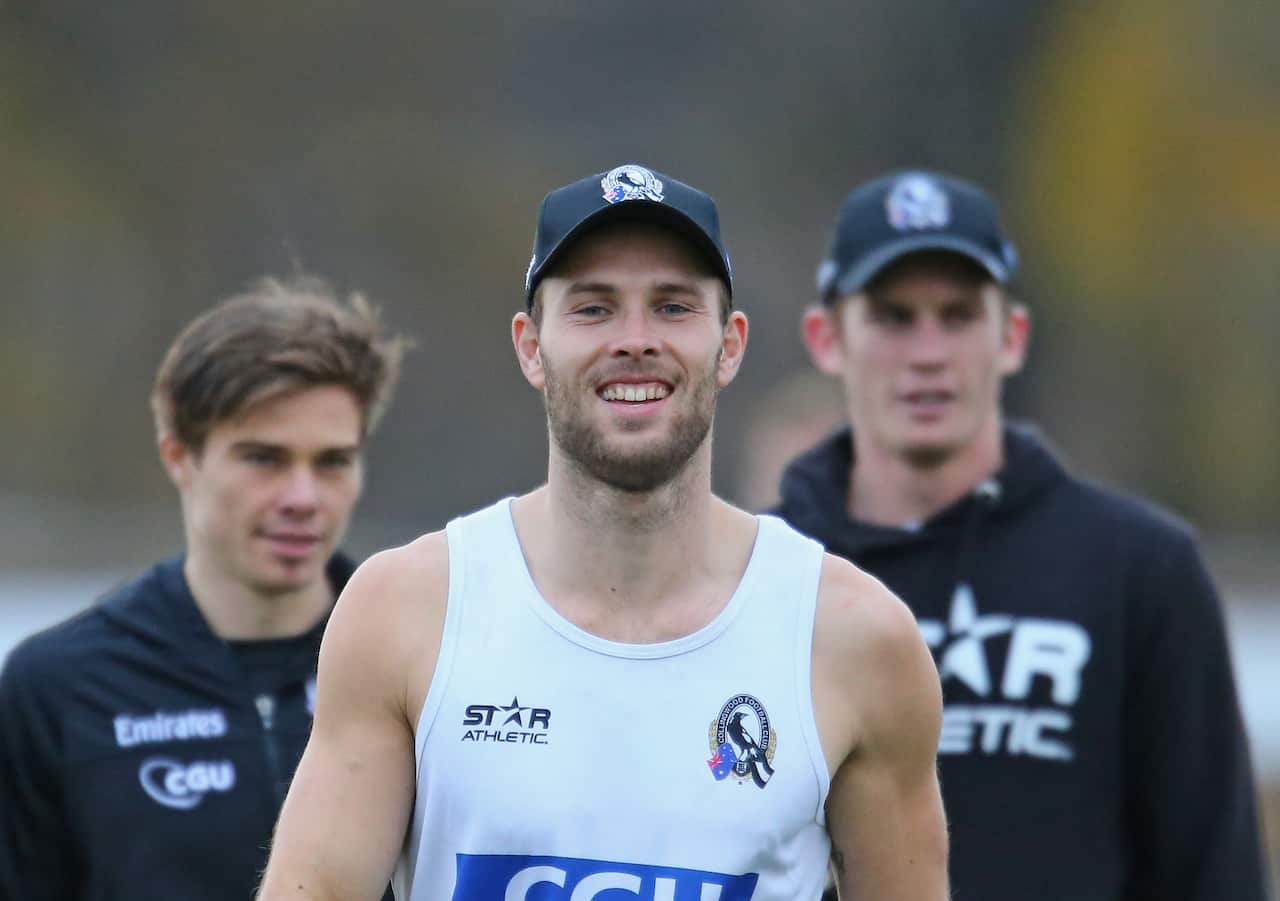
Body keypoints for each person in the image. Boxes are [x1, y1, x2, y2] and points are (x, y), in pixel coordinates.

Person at [255, 163, 950, 901]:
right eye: (593, 309)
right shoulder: (407, 610)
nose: (636, 340)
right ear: (530, 346)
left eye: (674, 306)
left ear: (731, 345)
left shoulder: (852, 636)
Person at [775, 169, 1272, 900]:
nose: (928, 352)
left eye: (958, 314)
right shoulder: (766, 577)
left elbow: (1212, 872)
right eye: (892, 316)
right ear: (827, 338)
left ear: (1011, 336)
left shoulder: (1140, 568)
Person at [0, 274, 408, 901]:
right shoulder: (57, 686)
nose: (304, 499)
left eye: (332, 462)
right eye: (264, 458)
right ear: (178, 456)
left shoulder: (425, 657)